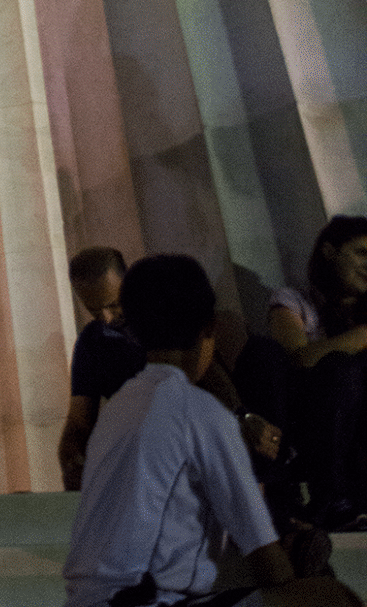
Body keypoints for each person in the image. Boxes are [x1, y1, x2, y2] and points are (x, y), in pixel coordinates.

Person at [64, 254, 361, 607]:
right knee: (329, 596)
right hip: (144, 601)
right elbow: (267, 560)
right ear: (209, 330)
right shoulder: (202, 413)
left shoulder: (117, 412)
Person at [269, 216, 367, 530]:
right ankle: (332, 498)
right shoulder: (293, 302)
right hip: (312, 427)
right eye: (362, 253)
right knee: (341, 369)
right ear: (329, 251)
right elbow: (300, 359)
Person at [58, 247, 145, 491]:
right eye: (94, 311)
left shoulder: (160, 318)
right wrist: (71, 456)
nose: (107, 318)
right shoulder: (92, 341)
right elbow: (79, 419)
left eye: (114, 305)